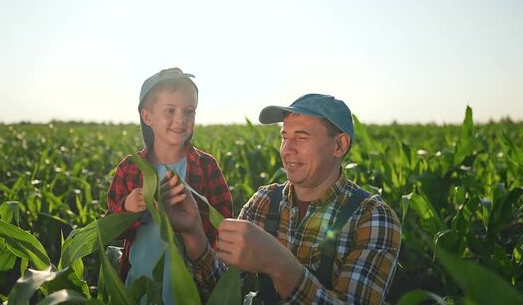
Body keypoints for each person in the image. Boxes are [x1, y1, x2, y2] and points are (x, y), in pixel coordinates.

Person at [161, 93, 402, 304]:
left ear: (339, 145)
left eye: (301, 137)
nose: (287, 149)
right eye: (284, 136)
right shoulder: (264, 201)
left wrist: (279, 265)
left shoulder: (372, 217)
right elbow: (223, 291)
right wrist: (193, 233)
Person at [107, 67, 233, 304]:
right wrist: (128, 207)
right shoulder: (130, 168)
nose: (181, 120)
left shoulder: (206, 167)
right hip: (138, 290)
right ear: (147, 117)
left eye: (189, 111)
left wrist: (191, 224)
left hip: (192, 292)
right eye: (170, 111)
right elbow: (110, 230)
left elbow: (222, 226)